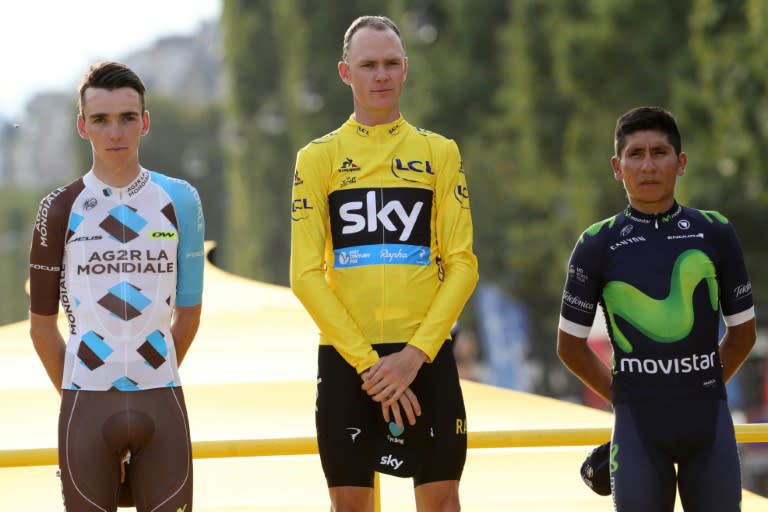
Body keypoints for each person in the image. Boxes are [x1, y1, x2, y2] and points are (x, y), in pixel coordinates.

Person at [290, 15, 478, 512]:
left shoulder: (439, 152)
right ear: (344, 72)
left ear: (406, 69)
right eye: (368, 64)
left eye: (391, 64)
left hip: (426, 356)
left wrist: (414, 356)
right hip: (350, 359)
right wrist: (371, 365)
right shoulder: (317, 158)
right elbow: (304, 275)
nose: (381, 75)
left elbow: (463, 264)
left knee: (442, 504)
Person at [557, 106, 756, 511]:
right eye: (635, 154)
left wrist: (702, 385)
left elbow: (743, 334)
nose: (648, 165)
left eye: (659, 152)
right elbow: (570, 347)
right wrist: (626, 396)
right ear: (617, 166)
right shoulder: (596, 243)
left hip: (709, 423)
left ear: (680, 163)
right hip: (638, 428)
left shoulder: (715, 231)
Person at [28, 61, 205, 512]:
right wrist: (81, 394)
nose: (115, 132)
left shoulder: (180, 200)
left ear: (145, 122)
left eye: (127, 117)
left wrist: (148, 374)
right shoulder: (59, 208)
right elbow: (42, 329)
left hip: (161, 396)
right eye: (101, 120)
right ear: (82, 126)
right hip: (86, 404)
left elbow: (189, 314)